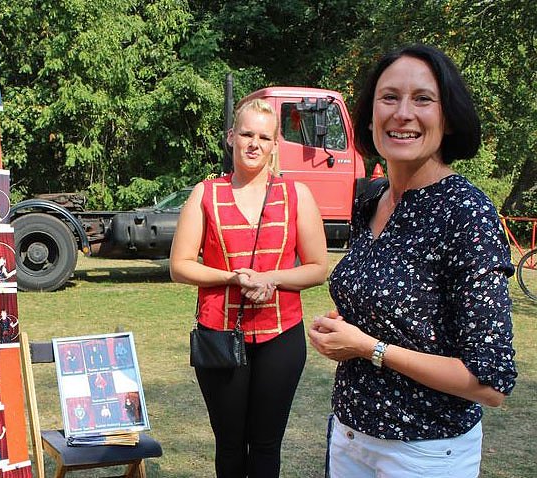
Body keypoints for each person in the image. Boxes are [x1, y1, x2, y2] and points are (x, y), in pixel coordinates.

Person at [306, 45, 517, 478]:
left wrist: (369, 347)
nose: (403, 113)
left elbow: (490, 382)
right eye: (389, 97)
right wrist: (345, 330)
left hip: (423, 452)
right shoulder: (370, 199)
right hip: (349, 436)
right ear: (370, 116)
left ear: (448, 118)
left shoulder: (466, 212)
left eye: (422, 99)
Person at [169, 97, 328, 477]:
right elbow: (180, 266)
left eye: (264, 137)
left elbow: (318, 268)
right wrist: (232, 277)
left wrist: (272, 279)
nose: (254, 144)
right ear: (231, 137)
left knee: (266, 445)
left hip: (281, 336)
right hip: (220, 335)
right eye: (246, 134)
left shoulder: (296, 195)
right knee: (229, 446)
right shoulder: (206, 194)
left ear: (275, 144)